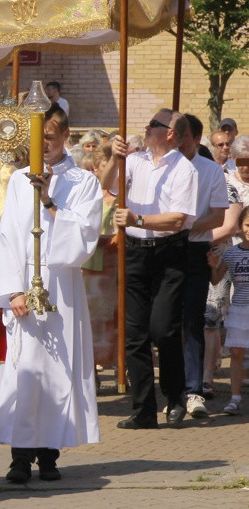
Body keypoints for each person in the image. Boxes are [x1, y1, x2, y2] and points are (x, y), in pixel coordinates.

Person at [0, 104, 102, 482]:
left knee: (57, 371)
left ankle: (49, 454)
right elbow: (7, 237)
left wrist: (50, 201)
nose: (43, 147)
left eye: (49, 139)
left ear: (65, 137)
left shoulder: (84, 182)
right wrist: (12, 290)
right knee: (25, 370)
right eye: (38, 140)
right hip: (25, 285)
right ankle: (20, 457)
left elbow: (84, 240)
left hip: (61, 288)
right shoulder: (19, 179)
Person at [100, 109, 198, 429]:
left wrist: (137, 219)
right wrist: (116, 159)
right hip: (135, 251)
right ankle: (143, 408)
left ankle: (175, 394)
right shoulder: (136, 160)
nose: (146, 128)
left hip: (169, 253)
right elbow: (107, 185)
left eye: (153, 125)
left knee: (163, 329)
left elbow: (178, 219)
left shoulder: (184, 169)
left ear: (170, 133)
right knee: (134, 333)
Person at [179, 114, 228, 418]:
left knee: (193, 321)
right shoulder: (157, 167)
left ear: (196, 139)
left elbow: (219, 216)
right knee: (162, 324)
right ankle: (174, 389)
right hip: (160, 249)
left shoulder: (209, 170)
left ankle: (194, 389)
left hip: (194, 247)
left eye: (182, 136)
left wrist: (183, 226)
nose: (175, 141)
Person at [208, 206, 249, 415]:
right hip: (239, 309)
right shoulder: (231, 253)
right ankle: (235, 398)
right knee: (236, 353)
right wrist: (212, 265)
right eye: (248, 225)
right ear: (240, 228)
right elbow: (216, 280)